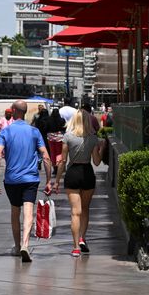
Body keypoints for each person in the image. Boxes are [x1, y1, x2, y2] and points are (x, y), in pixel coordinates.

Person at [0, 100, 52, 262]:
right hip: (30, 179)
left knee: (15, 212)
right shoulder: (34, 131)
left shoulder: (6, 131)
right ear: (25, 112)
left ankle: (18, 247)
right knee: (28, 212)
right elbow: (46, 157)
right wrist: (48, 180)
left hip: (11, 179)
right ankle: (26, 243)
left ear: (13, 111)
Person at [53, 109, 102, 257]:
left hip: (73, 173)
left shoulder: (67, 137)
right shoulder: (93, 138)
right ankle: (82, 238)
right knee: (85, 210)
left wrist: (56, 181)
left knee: (75, 212)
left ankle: (75, 247)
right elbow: (97, 162)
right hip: (87, 172)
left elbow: (62, 161)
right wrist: (103, 147)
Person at [44, 108, 66, 174]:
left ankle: (55, 168)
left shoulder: (48, 120)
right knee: (59, 153)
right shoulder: (62, 120)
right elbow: (64, 128)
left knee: (53, 152)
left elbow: (46, 128)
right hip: (59, 138)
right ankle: (59, 166)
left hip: (50, 138)